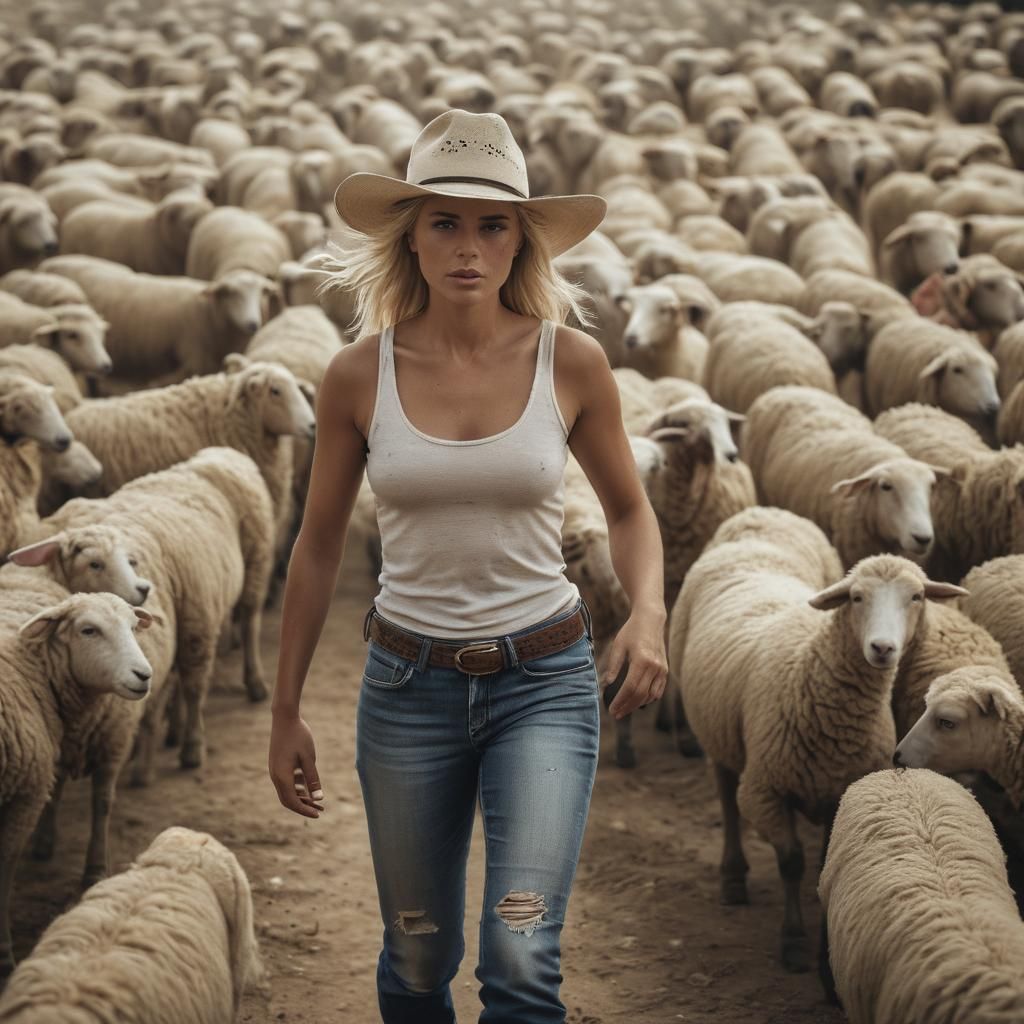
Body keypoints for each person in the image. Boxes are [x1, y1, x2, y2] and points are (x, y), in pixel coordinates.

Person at [268, 109, 668, 1024]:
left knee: (522, 958)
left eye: (492, 224)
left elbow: (631, 510)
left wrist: (648, 612)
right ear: (410, 234)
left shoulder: (573, 362)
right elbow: (319, 543)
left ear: (520, 236)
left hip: (546, 681)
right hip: (407, 686)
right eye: (444, 221)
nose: (468, 247)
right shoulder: (354, 376)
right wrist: (286, 709)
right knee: (415, 955)